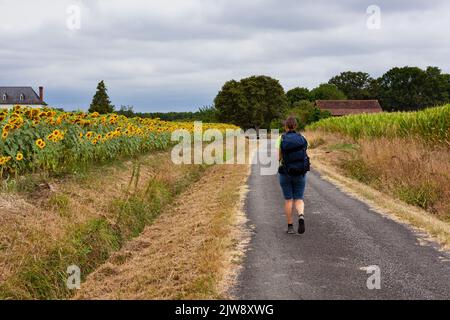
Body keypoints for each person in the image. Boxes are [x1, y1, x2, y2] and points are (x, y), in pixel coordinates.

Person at [276, 116, 309, 235]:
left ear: (285, 126)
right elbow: (305, 155)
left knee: (288, 199)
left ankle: (290, 226)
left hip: (285, 172)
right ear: (295, 126)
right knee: (299, 198)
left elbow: (279, 157)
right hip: (300, 172)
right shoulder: (302, 138)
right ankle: (301, 215)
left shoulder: (281, 138)